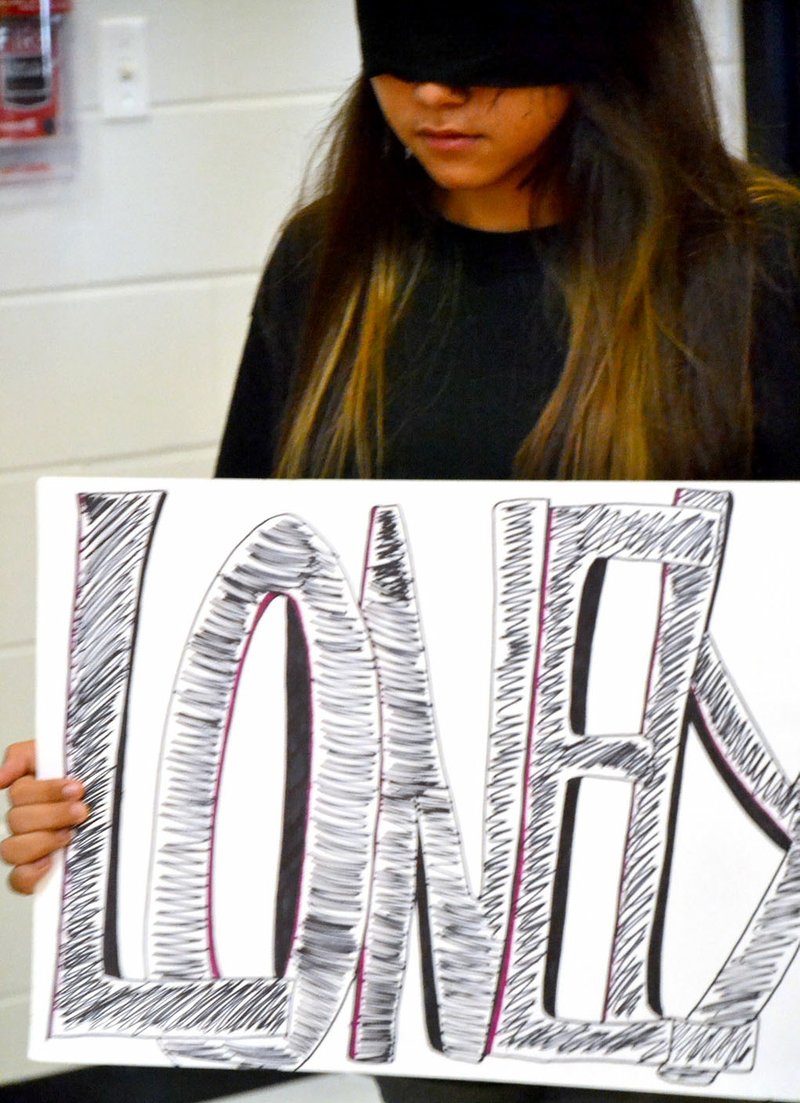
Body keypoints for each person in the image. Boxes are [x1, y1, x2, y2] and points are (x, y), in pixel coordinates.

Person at [2, 0, 799, 1100]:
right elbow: (245, 614)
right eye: (401, 60)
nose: (432, 95)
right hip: (432, 965)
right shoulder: (331, 264)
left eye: (483, 63)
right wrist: (111, 789)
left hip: (710, 949)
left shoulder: (756, 265)